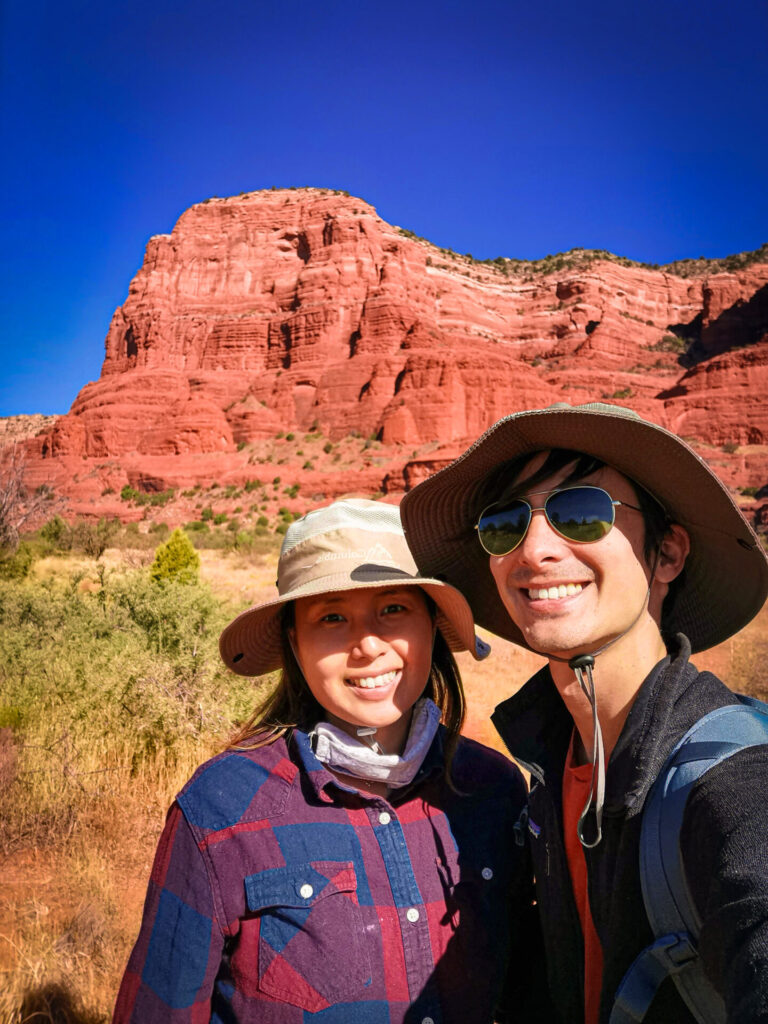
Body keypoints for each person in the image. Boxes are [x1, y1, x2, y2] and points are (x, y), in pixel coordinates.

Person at [399, 401, 768, 1024]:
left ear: (668, 555)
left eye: (581, 513)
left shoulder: (729, 777)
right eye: (505, 524)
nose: (536, 550)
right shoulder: (550, 767)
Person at [113, 498, 546, 1023]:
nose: (367, 645)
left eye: (393, 609)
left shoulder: (494, 790)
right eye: (332, 617)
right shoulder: (219, 811)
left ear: (431, 625)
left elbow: (530, 991)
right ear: (295, 643)